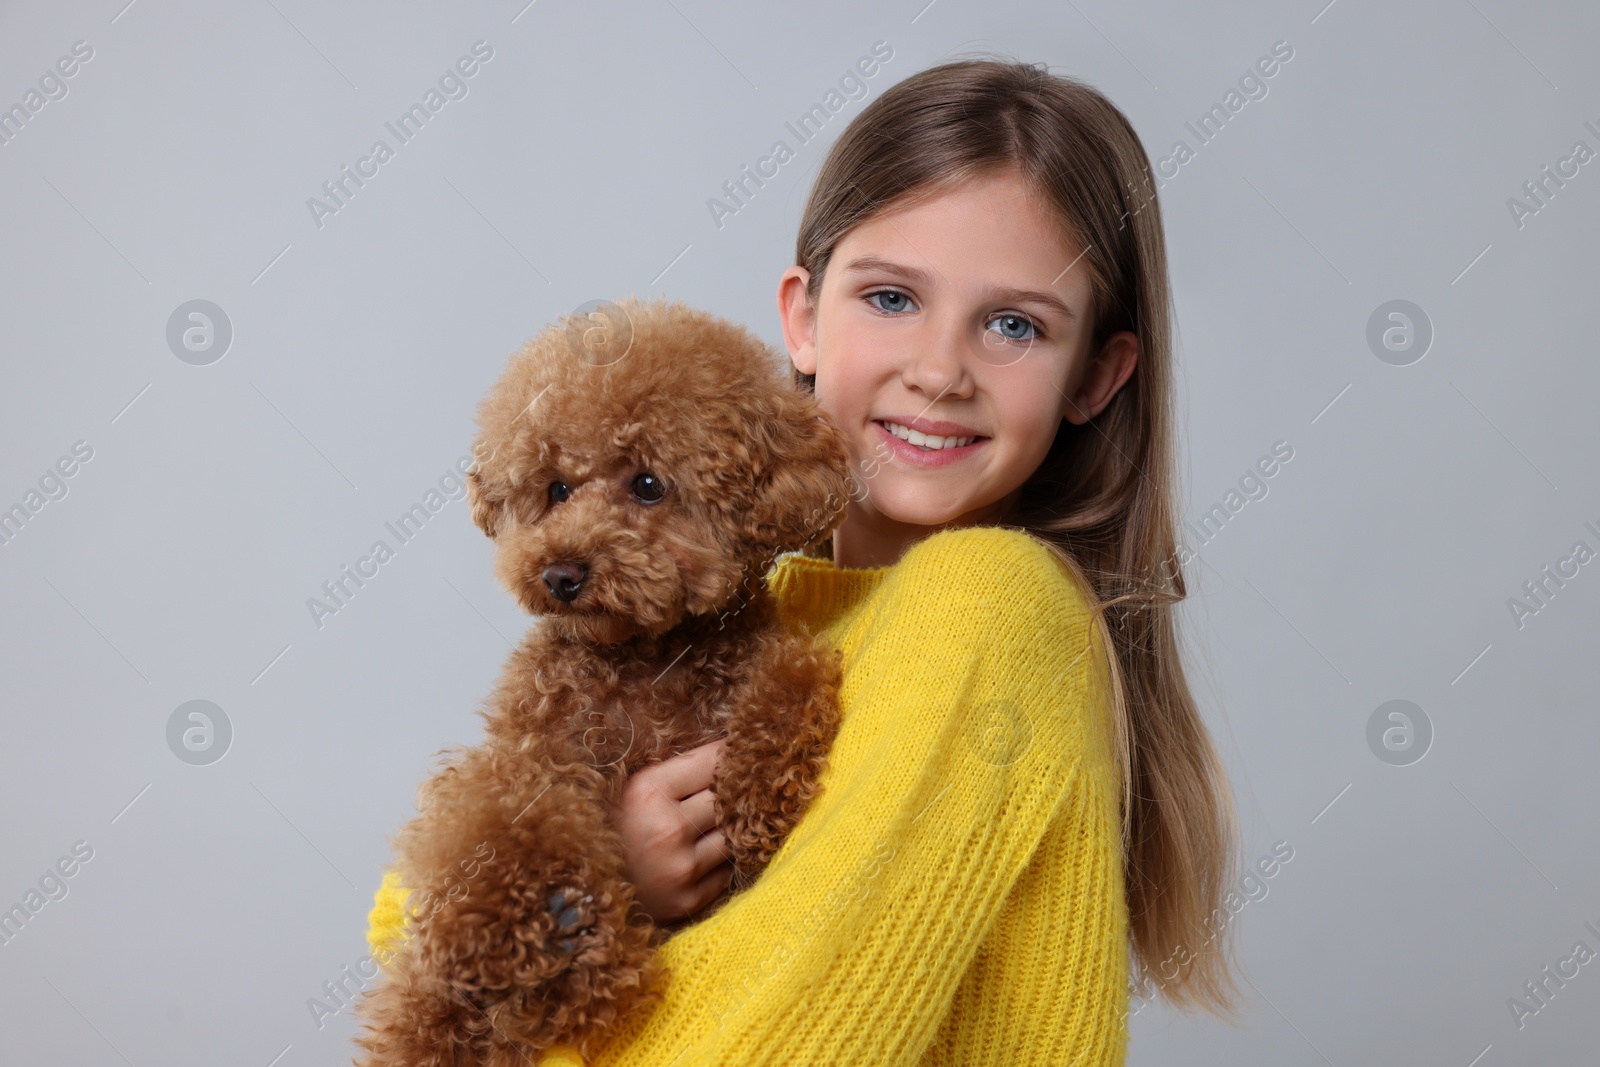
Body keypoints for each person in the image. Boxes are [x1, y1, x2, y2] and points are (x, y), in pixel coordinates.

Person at [367, 54, 1243, 1065]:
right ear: (801, 315)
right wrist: (608, 863)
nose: (937, 370)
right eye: (890, 298)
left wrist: (576, 894)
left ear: (1095, 374)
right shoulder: (745, 610)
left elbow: (776, 1046)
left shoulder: (992, 605)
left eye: (1012, 324)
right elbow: (404, 917)